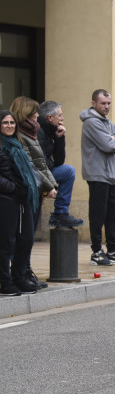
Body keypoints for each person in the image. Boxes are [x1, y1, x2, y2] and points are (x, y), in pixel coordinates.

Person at [80, 89, 115, 266]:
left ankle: (112, 250)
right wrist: (114, 139)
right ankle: (96, 252)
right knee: (98, 214)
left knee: (113, 213)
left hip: (111, 175)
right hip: (98, 174)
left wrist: (114, 139)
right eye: (103, 103)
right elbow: (108, 145)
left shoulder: (107, 123)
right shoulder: (91, 123)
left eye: (109, 103)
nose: (107, 106)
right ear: (93, 103)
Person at [0, 110, 40, 295]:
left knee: (26, 240)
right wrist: (14, 188)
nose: (9, 126)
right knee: (5, 243)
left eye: (12, 123)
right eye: (5, 123)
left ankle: (19, 278)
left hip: (23, 200)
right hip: (6, 199)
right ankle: (5, 283)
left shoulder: (17, 145)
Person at [11, 97, 58, 249]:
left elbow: (42, 163)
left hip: (35, 188)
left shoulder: (33, 132)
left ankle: (25, 263)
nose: (38, 115)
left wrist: (52, 185)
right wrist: (49, 186)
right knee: (23, 236)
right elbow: (32, 166)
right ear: (27, 113)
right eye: (35, 112)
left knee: (28, 236)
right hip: (26, 190)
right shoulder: (21, 135)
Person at [37, 101, 83, 228]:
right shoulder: (39, 131)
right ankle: (60, 213)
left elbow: (59, 161)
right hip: (37, 174)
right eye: (60, 115)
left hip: (46, 171)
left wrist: (59, 138)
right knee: (68, 171)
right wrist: (50, 161)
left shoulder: (52, 130)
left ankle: (61, 213)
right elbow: (40, 162)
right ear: (50, 118)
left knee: (68, 171)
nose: (62, 118)